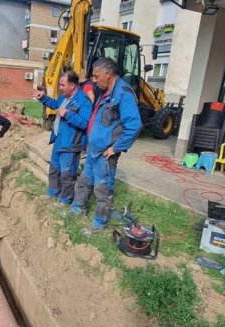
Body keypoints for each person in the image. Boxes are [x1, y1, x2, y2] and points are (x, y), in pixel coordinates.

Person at [70, 57, 142, 234]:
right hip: (93, 150)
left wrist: (115, 148)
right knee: (84, 181)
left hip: (105, 154)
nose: (94, 80)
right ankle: (77, 209)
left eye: (96, 76)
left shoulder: (123, 93)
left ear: (107, 74)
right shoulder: (105, 90)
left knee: (102, 189)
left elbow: (134, 125)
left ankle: (99, 223)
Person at [32, 70, 92, 204]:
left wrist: (67, 114)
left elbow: (84, 122)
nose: (60, 88)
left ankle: (65, 199)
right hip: (59, 141)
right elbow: (54, 104)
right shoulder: (65, 98)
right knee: (54, 170)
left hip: (70, 145)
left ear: (72, 85)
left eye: (62, 85)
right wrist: (42, 97)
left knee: (67, 174)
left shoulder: (84, 101)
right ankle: (53, 193)